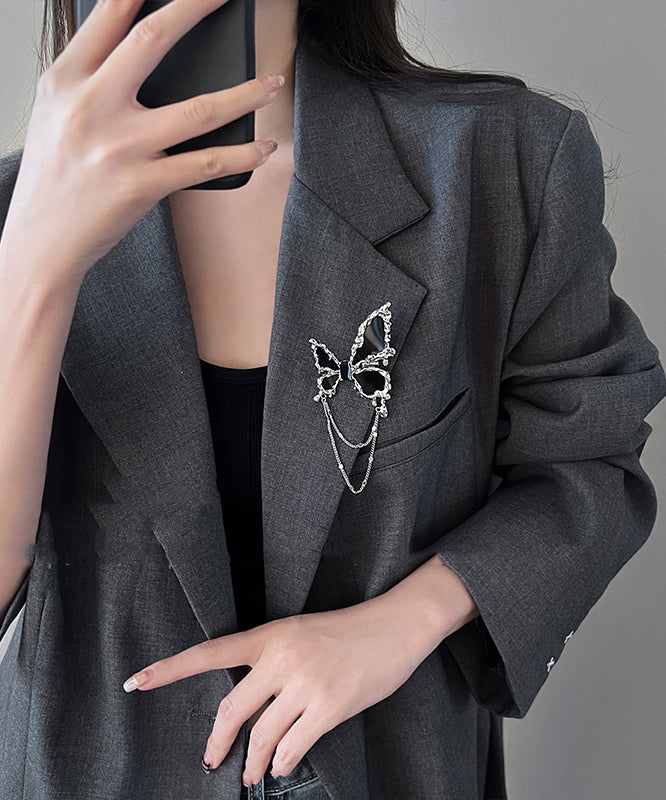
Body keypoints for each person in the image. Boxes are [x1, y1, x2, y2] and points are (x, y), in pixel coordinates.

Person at [0, 0, 664, 798]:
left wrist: (403, 621)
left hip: (393, 770)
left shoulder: (496, 161)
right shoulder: (12, 216)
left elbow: (589, 464)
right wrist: (32, 266)